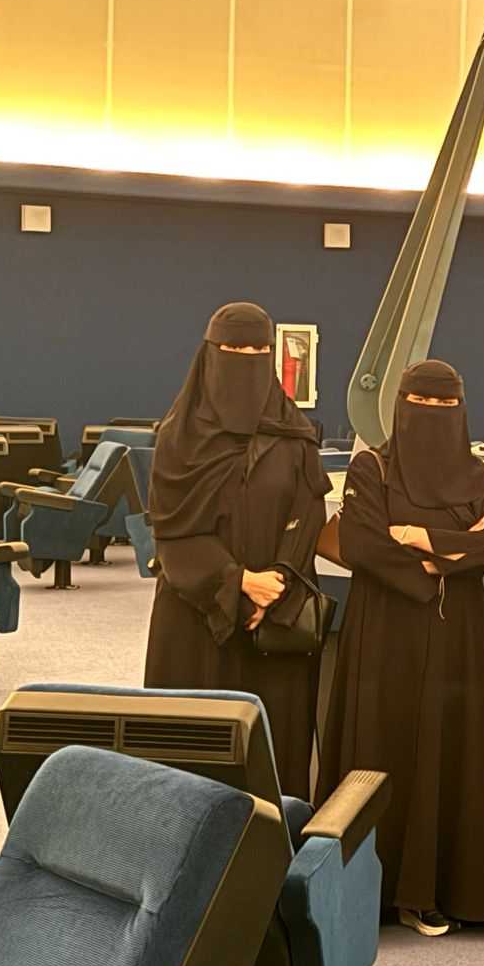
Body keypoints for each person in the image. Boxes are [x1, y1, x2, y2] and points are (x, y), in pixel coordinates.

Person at [317, 360, 484, 936]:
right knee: (383, 745)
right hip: (386, 632)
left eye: (445, 405)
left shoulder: (478, 475)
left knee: (450, 748)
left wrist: (421, 540)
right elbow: (362, 544)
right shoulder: (372, 467)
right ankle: (374, 890)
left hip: (457, 636)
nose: (432, 415)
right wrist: (448, 557)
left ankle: (436, 891)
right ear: (401, 405)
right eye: (421, 403)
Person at [144, 302, 329, 799]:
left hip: (277, 622)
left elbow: (308, 513)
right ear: (210, 354)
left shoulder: (294, 433)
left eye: (258, 350)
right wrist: (238, 582)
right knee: (193, 761)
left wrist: (278, 583)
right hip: (196, 618)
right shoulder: (179, 438)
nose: (246, 359)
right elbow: (172, 531)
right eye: (233, 348)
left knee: (271, 762)